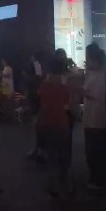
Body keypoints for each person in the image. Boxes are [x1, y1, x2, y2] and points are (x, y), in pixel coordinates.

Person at [37, 57, 73, 196]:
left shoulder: (44, 86)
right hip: (62, 122)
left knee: (51, 155)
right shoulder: (65, 86)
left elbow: (40, 98)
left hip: (46, 122)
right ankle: (68, 184)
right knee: (64, 155)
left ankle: (54, 185)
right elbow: (68, 102)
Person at [83, 43, 106, 191]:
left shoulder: (97, 75)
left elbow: (93, 93)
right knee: (98, 149)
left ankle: (98, 179)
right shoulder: (102, 74)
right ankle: (99, 178)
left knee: (94, 150)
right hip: (97, 117)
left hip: (96, 118)